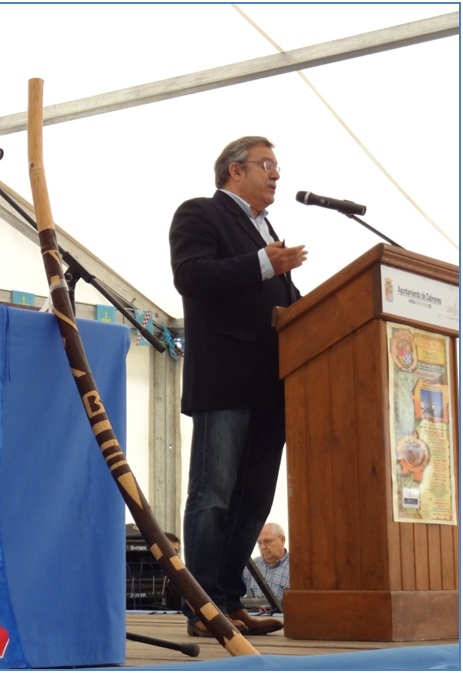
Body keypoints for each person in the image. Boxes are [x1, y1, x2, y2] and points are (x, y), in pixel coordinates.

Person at [168, 136, 307, 638]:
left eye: (277, 166)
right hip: (225, 381)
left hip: (271, 385)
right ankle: (203, 610)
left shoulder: (266, 228)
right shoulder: (199, 213)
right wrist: (267, 263)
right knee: (214, 495)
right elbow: (192, 276)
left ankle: (227, 601)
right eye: (267, 165)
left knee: (253, 500)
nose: (275, 175)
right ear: (234, 171)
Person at [243, 522, 290, 606]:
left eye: (267, 541)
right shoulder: (252, 565)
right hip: (255, 617)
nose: (263, 547)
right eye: (259, 543)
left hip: (285, 618)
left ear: (282, 540)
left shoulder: (296, 567)